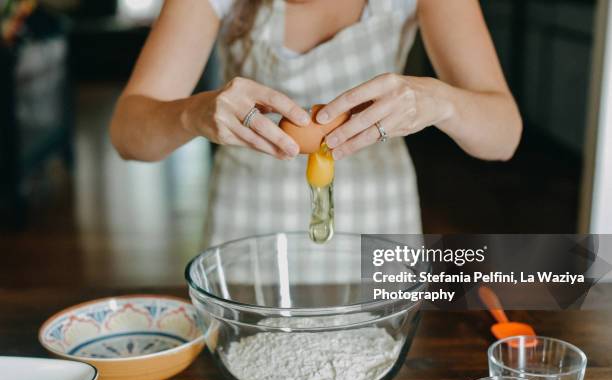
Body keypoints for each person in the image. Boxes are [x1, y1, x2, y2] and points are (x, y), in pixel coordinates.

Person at [110, 0, 522, 246]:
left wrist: (440, 101)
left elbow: (504, 135)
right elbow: (128, 136)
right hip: (247, 226)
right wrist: (192, 113)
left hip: (379, 222)